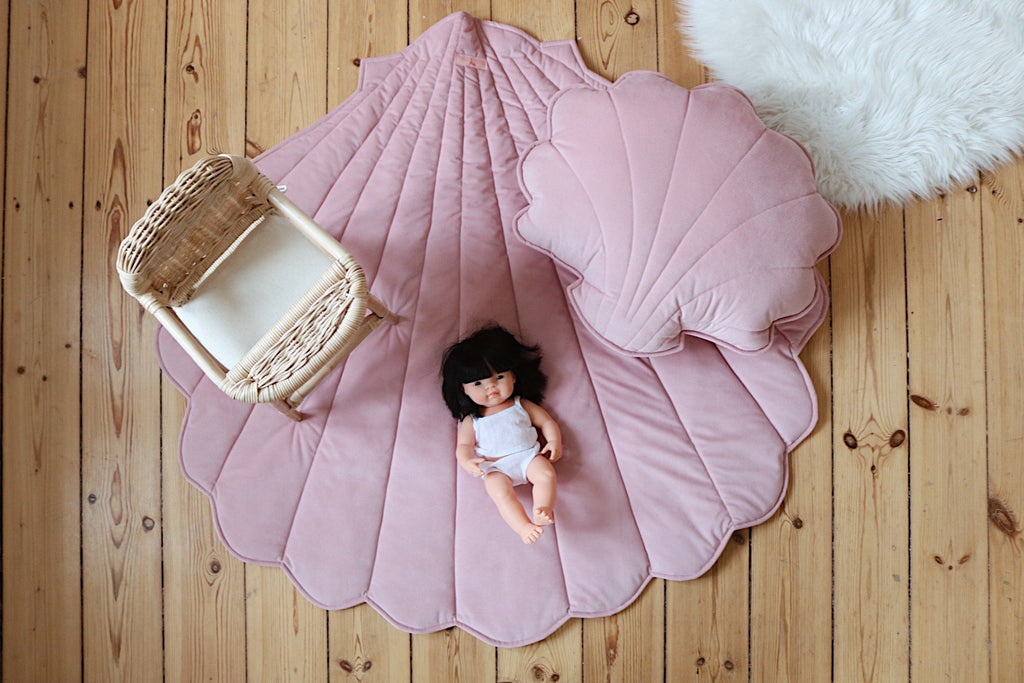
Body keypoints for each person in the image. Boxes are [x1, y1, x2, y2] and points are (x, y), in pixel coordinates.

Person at [441, 325, 562, 544]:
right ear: (464, 390)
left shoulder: (520, 404)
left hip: (528, 458)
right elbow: (464, 446)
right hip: (496, 468)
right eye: (478, 383)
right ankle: (523, 526)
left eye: (499, 377)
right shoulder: (473, 420)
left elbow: (546, 421)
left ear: (513, 376)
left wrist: (554, 440)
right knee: (499, 493)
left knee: (546, 475)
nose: (491, 388)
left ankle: (542, 508)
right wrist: (467, 461)